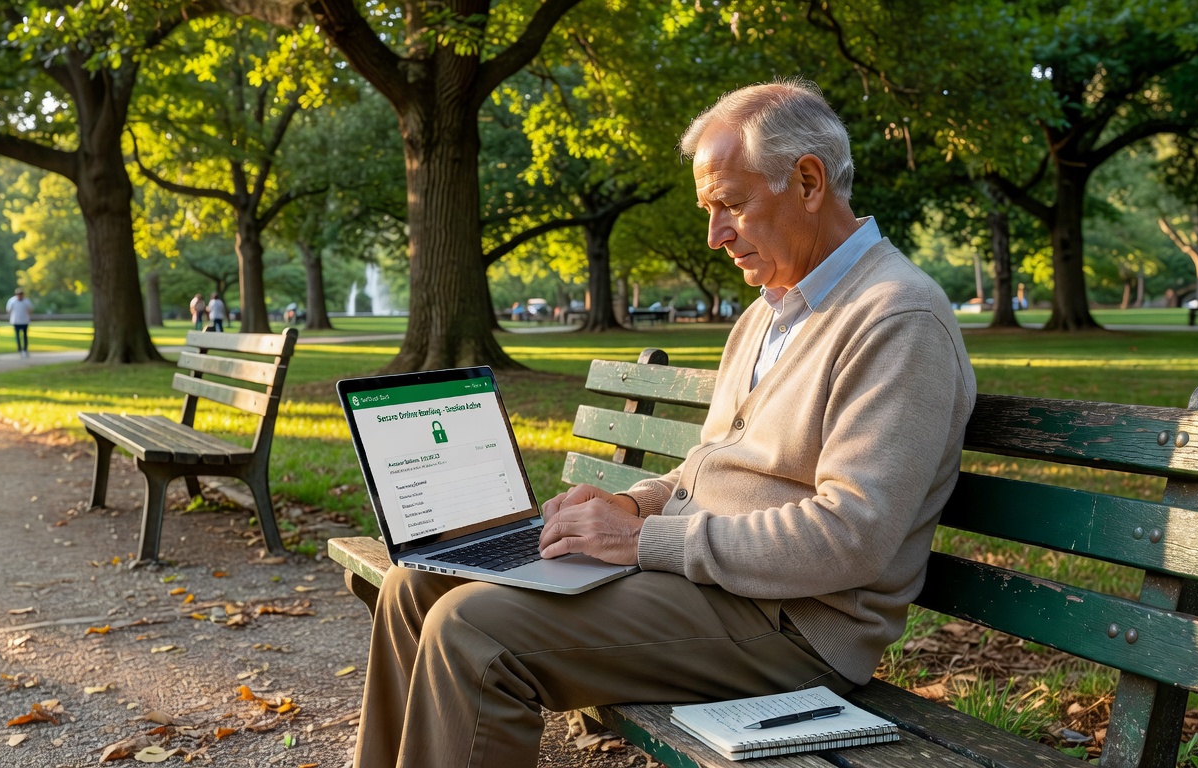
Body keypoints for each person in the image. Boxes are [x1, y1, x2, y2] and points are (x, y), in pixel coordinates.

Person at [354, 78, 976, 768]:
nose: (715, 236)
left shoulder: (897, 318)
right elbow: (712, 467)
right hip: (708, 588)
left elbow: (852, 536)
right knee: (416, 588)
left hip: (793, 626)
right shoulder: (770, 312)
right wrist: (632, 504)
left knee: (471, 630)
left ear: (807, 182)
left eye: (730, 205)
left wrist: (642, 540)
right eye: (709, 211)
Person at [6, 288, 34, 358]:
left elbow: (30, 310)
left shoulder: (26, 301)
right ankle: (20, 348)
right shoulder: (12, 301)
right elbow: (9, 310)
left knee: (25, 335)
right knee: (17, 335)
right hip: (16, 321)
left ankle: (25, 349)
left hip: (24, 321)